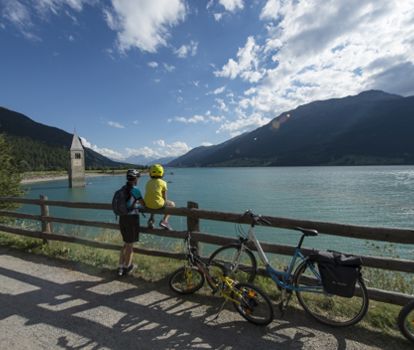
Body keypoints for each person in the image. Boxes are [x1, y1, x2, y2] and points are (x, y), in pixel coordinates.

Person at [117, 169, 145, 277]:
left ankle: (120, 266)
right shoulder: (135, 190)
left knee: (125, 243)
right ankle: (127, 267)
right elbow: (144, 204)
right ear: (135, 179)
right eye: (138, 177)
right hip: (131, 218)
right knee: (130, 245)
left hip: (122, 218)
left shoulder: (122, 189)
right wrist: (137, 204)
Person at [144, 164, 175, 230]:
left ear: (150, 173)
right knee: (172, 204)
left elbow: (150, 194)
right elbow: (164, 197)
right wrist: (165, 204)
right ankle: (165, 221)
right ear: (162, 173)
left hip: (147, 204)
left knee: (154, 200)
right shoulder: (163, 183)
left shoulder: (148, 182)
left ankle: (151, 220)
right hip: (157, 205)